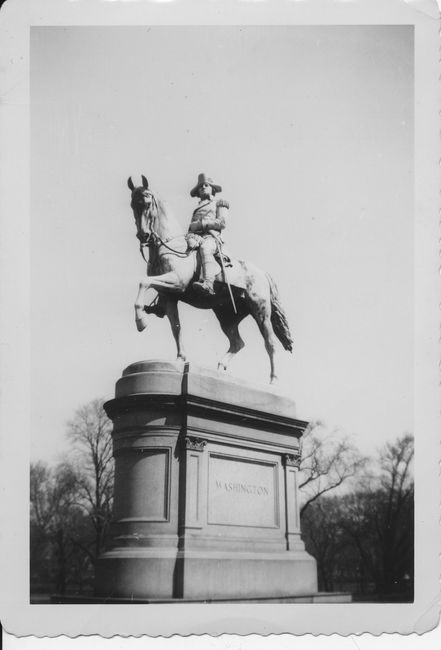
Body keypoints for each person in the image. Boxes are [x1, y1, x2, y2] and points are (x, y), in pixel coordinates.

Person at [186, 173, 230, 295]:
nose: (203, 187)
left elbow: (222, 223)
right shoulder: (197, 207)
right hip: (196, 237)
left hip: (212, 238)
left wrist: (200, 224)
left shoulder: (219, 203)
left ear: (213, 189)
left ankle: (208, 283)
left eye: (206, 185)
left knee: (205, 248)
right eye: (200, 186)